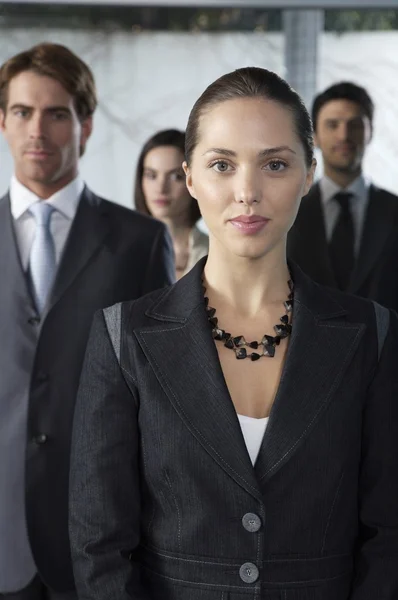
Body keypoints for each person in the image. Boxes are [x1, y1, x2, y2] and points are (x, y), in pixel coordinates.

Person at [69, 67, 398, 599]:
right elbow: (98, 546)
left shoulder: (372, 334)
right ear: (192, 178)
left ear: (308, 174)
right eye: (222, 164)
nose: (247, 192)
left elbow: (389, 535)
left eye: (274, 164)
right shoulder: (123, 336)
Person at [0, 42, 174, 600]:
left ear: (86, 125)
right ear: (2, 121)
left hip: (99, 536)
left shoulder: (140, 242)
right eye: (23, 112)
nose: (38, 131)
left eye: (57, 114)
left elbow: (163, 395)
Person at [287, 81, 398, 309]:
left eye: (354, 125)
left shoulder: (394, 210)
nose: (344, 135)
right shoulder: (290, 210)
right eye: (332, 125)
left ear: (370, 132)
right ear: (314, 136)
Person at [134, 129, 208, 279]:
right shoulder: (121, 251)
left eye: (176, 176)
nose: (161, 188)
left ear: (193, 181)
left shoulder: (215, 253)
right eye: (151, 175)